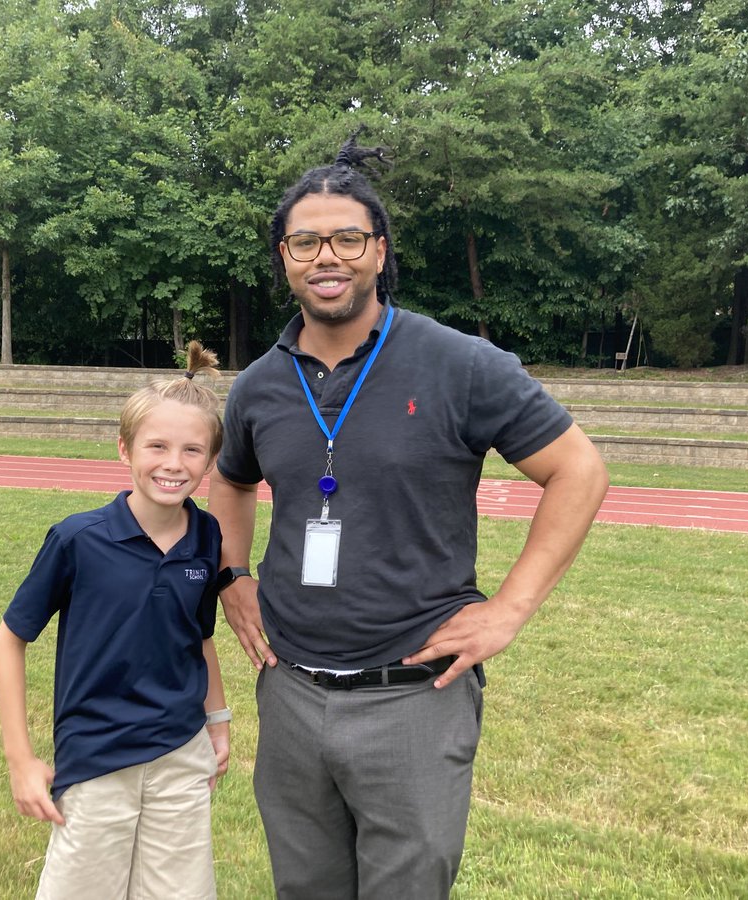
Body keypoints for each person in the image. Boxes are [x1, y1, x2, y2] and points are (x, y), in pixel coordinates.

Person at [207, 130, 610, 900]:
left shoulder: (460, 364)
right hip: (290, 692)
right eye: (306, 243)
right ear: (284, 260)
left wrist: (510, 610)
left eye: (347, 238)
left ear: (380, 251)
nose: (327, 257)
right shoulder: (259, 385)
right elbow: (231, 481)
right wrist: (233, 574)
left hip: (414, 696)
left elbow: (578, 470)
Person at [0, 341, 231, 900]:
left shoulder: (206, 537)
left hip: (181, 755)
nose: (174, 464)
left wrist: (217, 720)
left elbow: (199, 637)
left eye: (192, 450)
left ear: (211, 460)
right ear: (125, 449)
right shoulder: (79, 539)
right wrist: (21, 760)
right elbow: (9, 640)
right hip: (97, 759)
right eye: (158, 446)